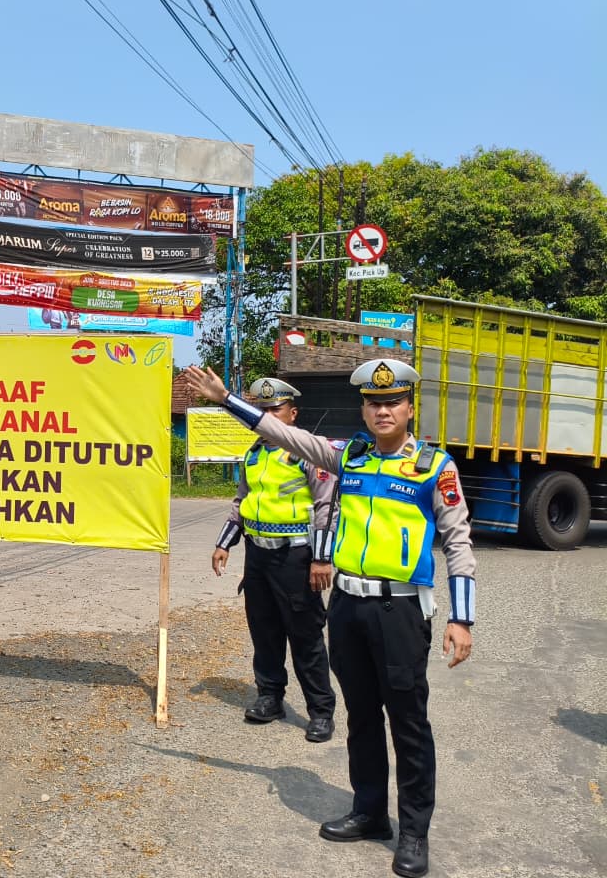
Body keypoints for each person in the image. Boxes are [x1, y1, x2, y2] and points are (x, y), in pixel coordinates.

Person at [182, 358, 476, 878]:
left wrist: (463, 619)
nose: (382, 410)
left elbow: (458, 542)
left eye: (392, 401)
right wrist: (227, 399)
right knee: (361, 718)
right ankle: (369, 812)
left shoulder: (434, 466)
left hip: (401, 609)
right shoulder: (350, 456)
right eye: (373, 402)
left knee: (408, 724)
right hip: (347, 606)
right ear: (363, 409)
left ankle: (413, 832)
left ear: (410, 407)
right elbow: (283, 434)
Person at [211, 377, 337, 743]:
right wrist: (224, 544)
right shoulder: (253, 454)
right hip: (258, 557)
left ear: (292, 414)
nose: (266, 415)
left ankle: (320, 711)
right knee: (264, 632)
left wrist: (321, 559)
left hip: (296, 557)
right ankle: (270, 697)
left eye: (274, 409)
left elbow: (327, 506)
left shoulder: (309, 453)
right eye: (261, 409)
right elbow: (241, 503)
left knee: (305, 637)